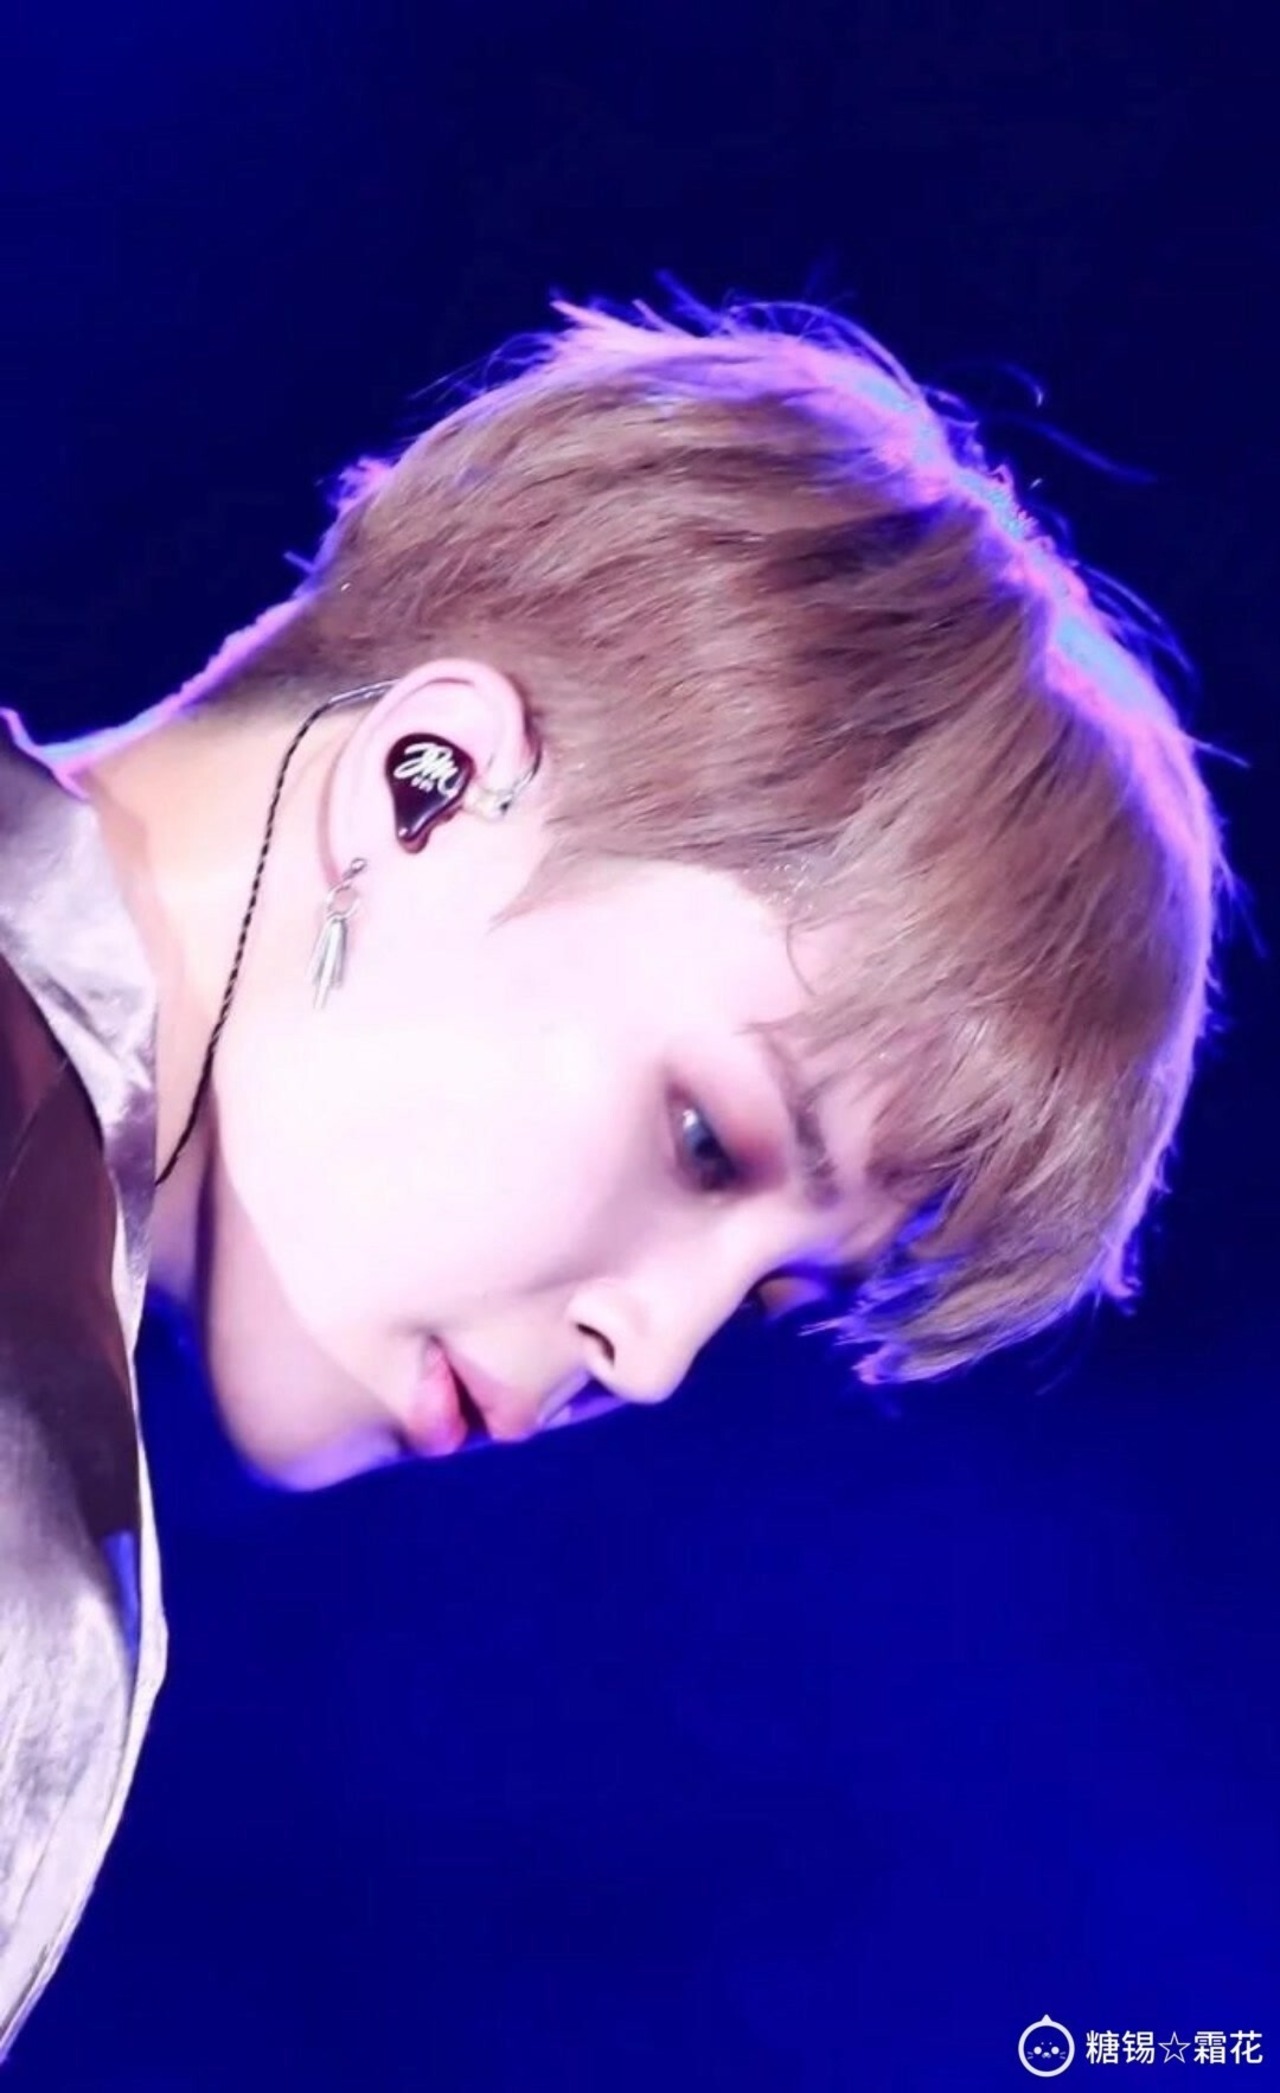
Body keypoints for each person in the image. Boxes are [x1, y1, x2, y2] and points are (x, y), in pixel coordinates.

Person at [0, 295, 1228, 2050]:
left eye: (773, 1295)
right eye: (706, 1138)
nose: (649, 1357)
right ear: (429, 791)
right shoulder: (30, 1519)